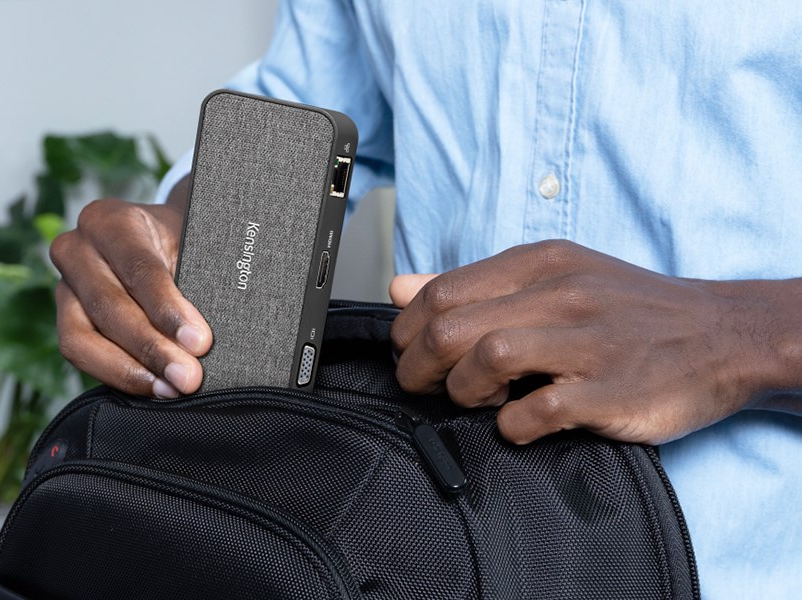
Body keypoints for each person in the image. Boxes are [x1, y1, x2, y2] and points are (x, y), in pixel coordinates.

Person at [49, 1, 802, 596]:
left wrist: (745, 334)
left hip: (746, 560)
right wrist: (187, 236)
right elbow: (313, 100)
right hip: (430, 550)